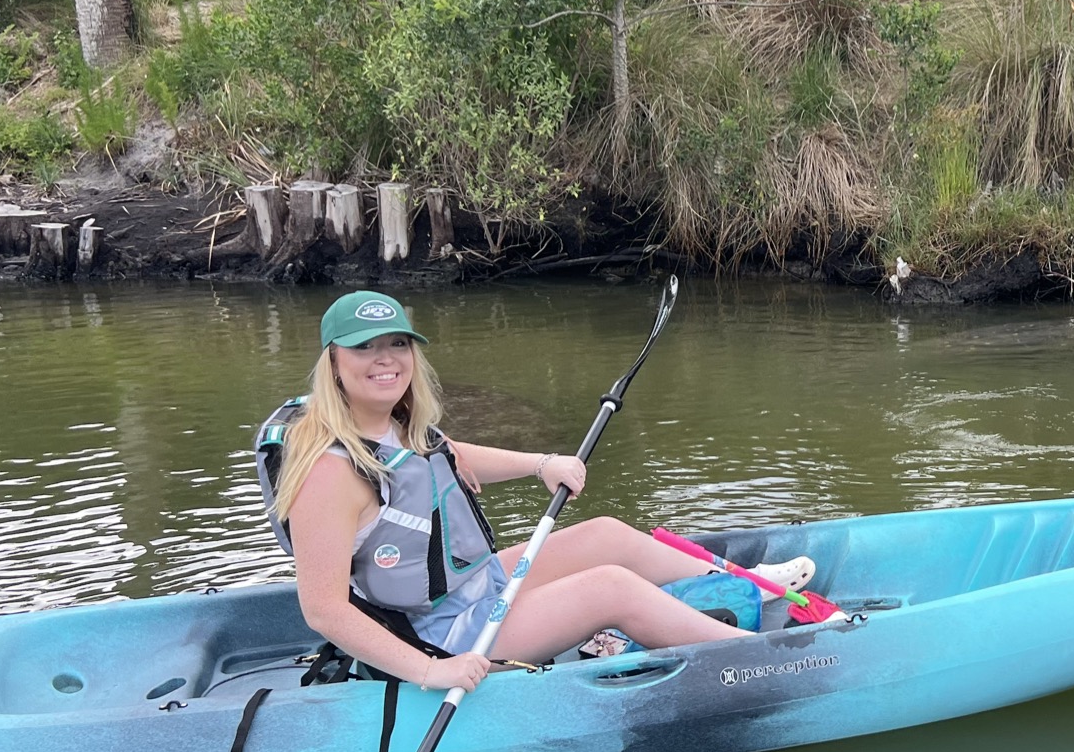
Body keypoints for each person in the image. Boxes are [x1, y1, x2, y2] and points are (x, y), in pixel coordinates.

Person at [263, 290, 812, 695]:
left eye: (397, 344)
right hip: (440, 633)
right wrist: (432, 671)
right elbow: (324, 610)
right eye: (366, 348)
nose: (386, 359)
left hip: (475, 587)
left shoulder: (398, 424)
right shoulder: (328, 474)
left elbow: (451, 454)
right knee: (609, 588)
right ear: (333, 362)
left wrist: (542, 464)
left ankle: (745, 588)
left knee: (605, 536)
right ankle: (766, 664)